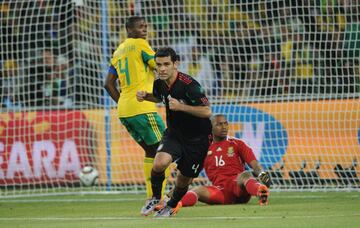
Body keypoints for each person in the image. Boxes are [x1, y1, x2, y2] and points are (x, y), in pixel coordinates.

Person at [136, 47, 212, 217]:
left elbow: (207, 111)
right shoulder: (159, 83)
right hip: (175, 134)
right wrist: (145, 96)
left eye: (166, 64)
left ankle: (170, 207)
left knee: (183, 179)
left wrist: (181, 107)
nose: (162, 69)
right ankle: (156, 198)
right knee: (159, 163)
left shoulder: (190, 86)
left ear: (175, 64)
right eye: (158, 65)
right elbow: (158, 97)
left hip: (198, 139)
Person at [104, 16, 168, 199]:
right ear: (129, 30)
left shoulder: (118, 52)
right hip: (142, 108)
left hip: (125, 111)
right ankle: (160, 199)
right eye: (140, 27)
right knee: (167, 150)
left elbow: (108, 84)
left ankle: (152, 197)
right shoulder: (141, 44)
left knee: (151, 151)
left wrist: (125, 102)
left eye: (146, 26)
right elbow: (161, 67)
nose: (144, 29)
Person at [178, 114, 271, 207]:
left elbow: (255, 165)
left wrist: (262, 174)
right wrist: (176, 191)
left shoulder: (238, 144)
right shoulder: (203, 149)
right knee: (197, 190)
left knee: (245, 175)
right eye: (219, 124)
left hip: (239, 187)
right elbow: (189, 175)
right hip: (220, 191)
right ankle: (176, 204)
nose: (224, 127)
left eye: (225, 124)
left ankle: (260, 192)